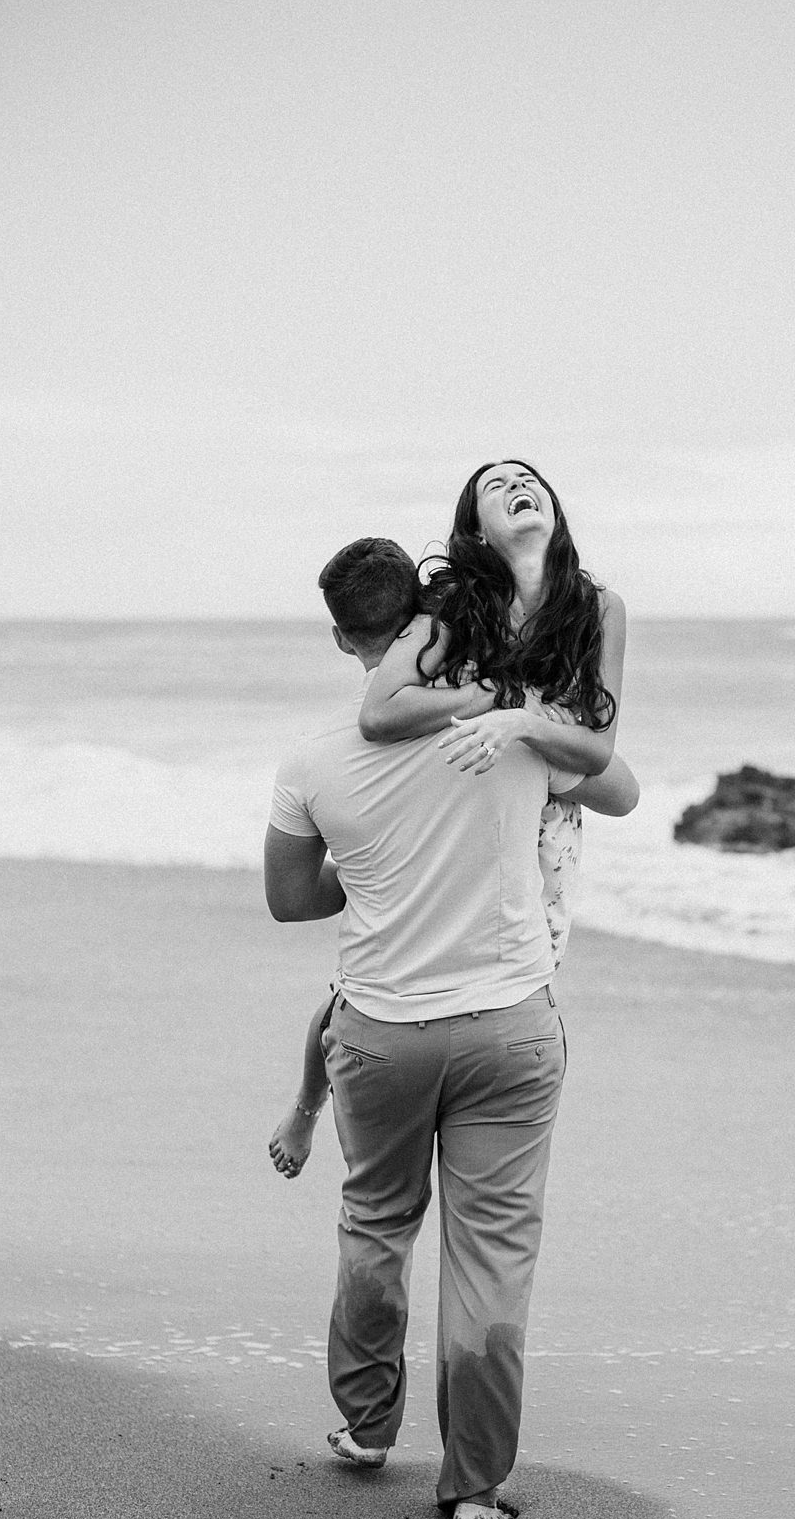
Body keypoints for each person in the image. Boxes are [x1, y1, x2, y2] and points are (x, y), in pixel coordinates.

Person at [264, 525, 633, 1519]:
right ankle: (471, 1487)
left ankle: (368, 1428)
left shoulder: (314, 763)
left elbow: (291, 901)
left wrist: (373, 863)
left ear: (348, 640)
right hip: (509, 1029)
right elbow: (620, 787)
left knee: (377, 1227)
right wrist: (532, 725)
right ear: (429, 616)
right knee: (493, 1254)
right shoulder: (507, 732)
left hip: (381, 1032)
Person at [269, 459, 634, 1178]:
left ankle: (315, 1103)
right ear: (473, 531)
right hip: (505, 753)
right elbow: (382, 713)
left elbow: (607, 763)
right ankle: (307, 1104)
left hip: (537, 758)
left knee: (501, 962)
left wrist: (520, 723)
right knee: (365, 990)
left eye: (526, 477)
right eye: (494, 486)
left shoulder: (599, 608)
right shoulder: (457, 613)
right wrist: (492, 708)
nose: (516, 486)